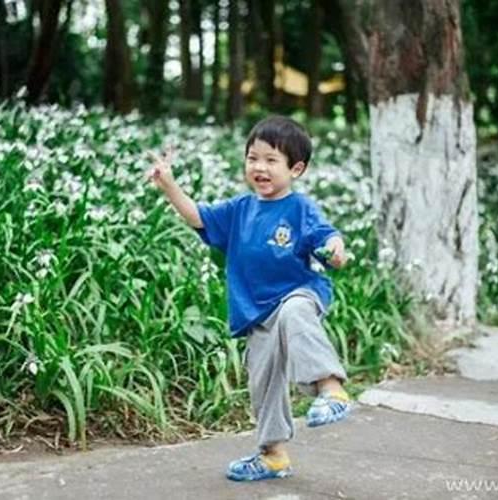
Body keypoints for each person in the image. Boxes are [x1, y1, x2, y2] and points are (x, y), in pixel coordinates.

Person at [148, 116, 351, 481]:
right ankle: (273, 455)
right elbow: (198, 217)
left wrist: (335, 249)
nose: (259, 167)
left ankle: (331, 389)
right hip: (256, 313)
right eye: (252, 158)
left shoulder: (299, 208)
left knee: (293, 314)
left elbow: (328, 235)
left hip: (298, 295)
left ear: (296, 169)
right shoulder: (239, 209)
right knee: (263, 383)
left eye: (271, 160)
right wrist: (168, 185)